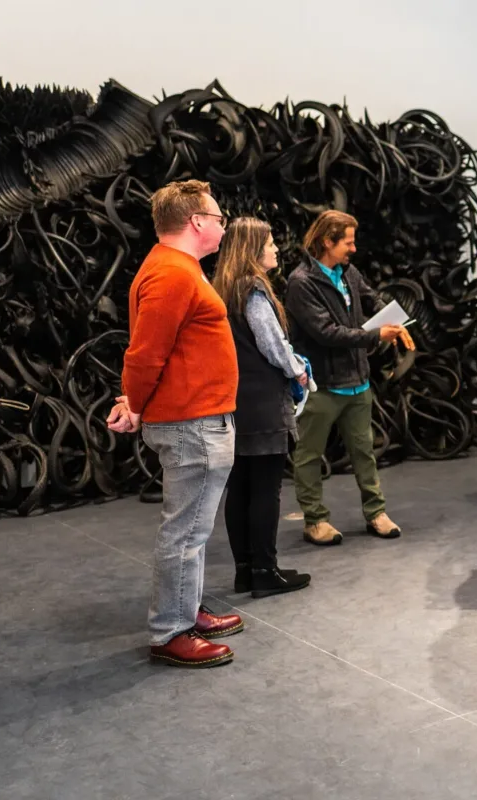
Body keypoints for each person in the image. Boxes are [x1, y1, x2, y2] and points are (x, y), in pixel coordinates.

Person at [108, 179, 246, 668]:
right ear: (196, 222)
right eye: (218, 218)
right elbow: (145, 354)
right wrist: (137, 404)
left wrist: (136, 402)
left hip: (198, 418)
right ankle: (171, 631)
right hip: (192, 423)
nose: (223, 226)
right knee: (185, 532)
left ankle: (186, 609)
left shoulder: (179, 269)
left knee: (193, 530)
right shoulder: (172, 274)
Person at [285, 210, 413, 546]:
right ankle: (315, 520)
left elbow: (371, 298)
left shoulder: (348, 272)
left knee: (364, 451)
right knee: (310, 455)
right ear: (328, 241)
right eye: (348, 242)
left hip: (358, 383)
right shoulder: (301, 283)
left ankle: (377, 513)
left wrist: (392, 316)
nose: (353, 249)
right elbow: (326, 332)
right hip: (322, 387)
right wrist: (375, 336)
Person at [211, 217, 314, 598]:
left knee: (240, 488)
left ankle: (246, 571)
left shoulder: (223, 289)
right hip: (264, 404)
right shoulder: (253, 290)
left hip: (236, 403)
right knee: (266, 490)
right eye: (269, 243)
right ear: (254, 249)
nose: (274, 249)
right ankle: (265, 572)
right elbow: (272, 344)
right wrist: (298, 371)